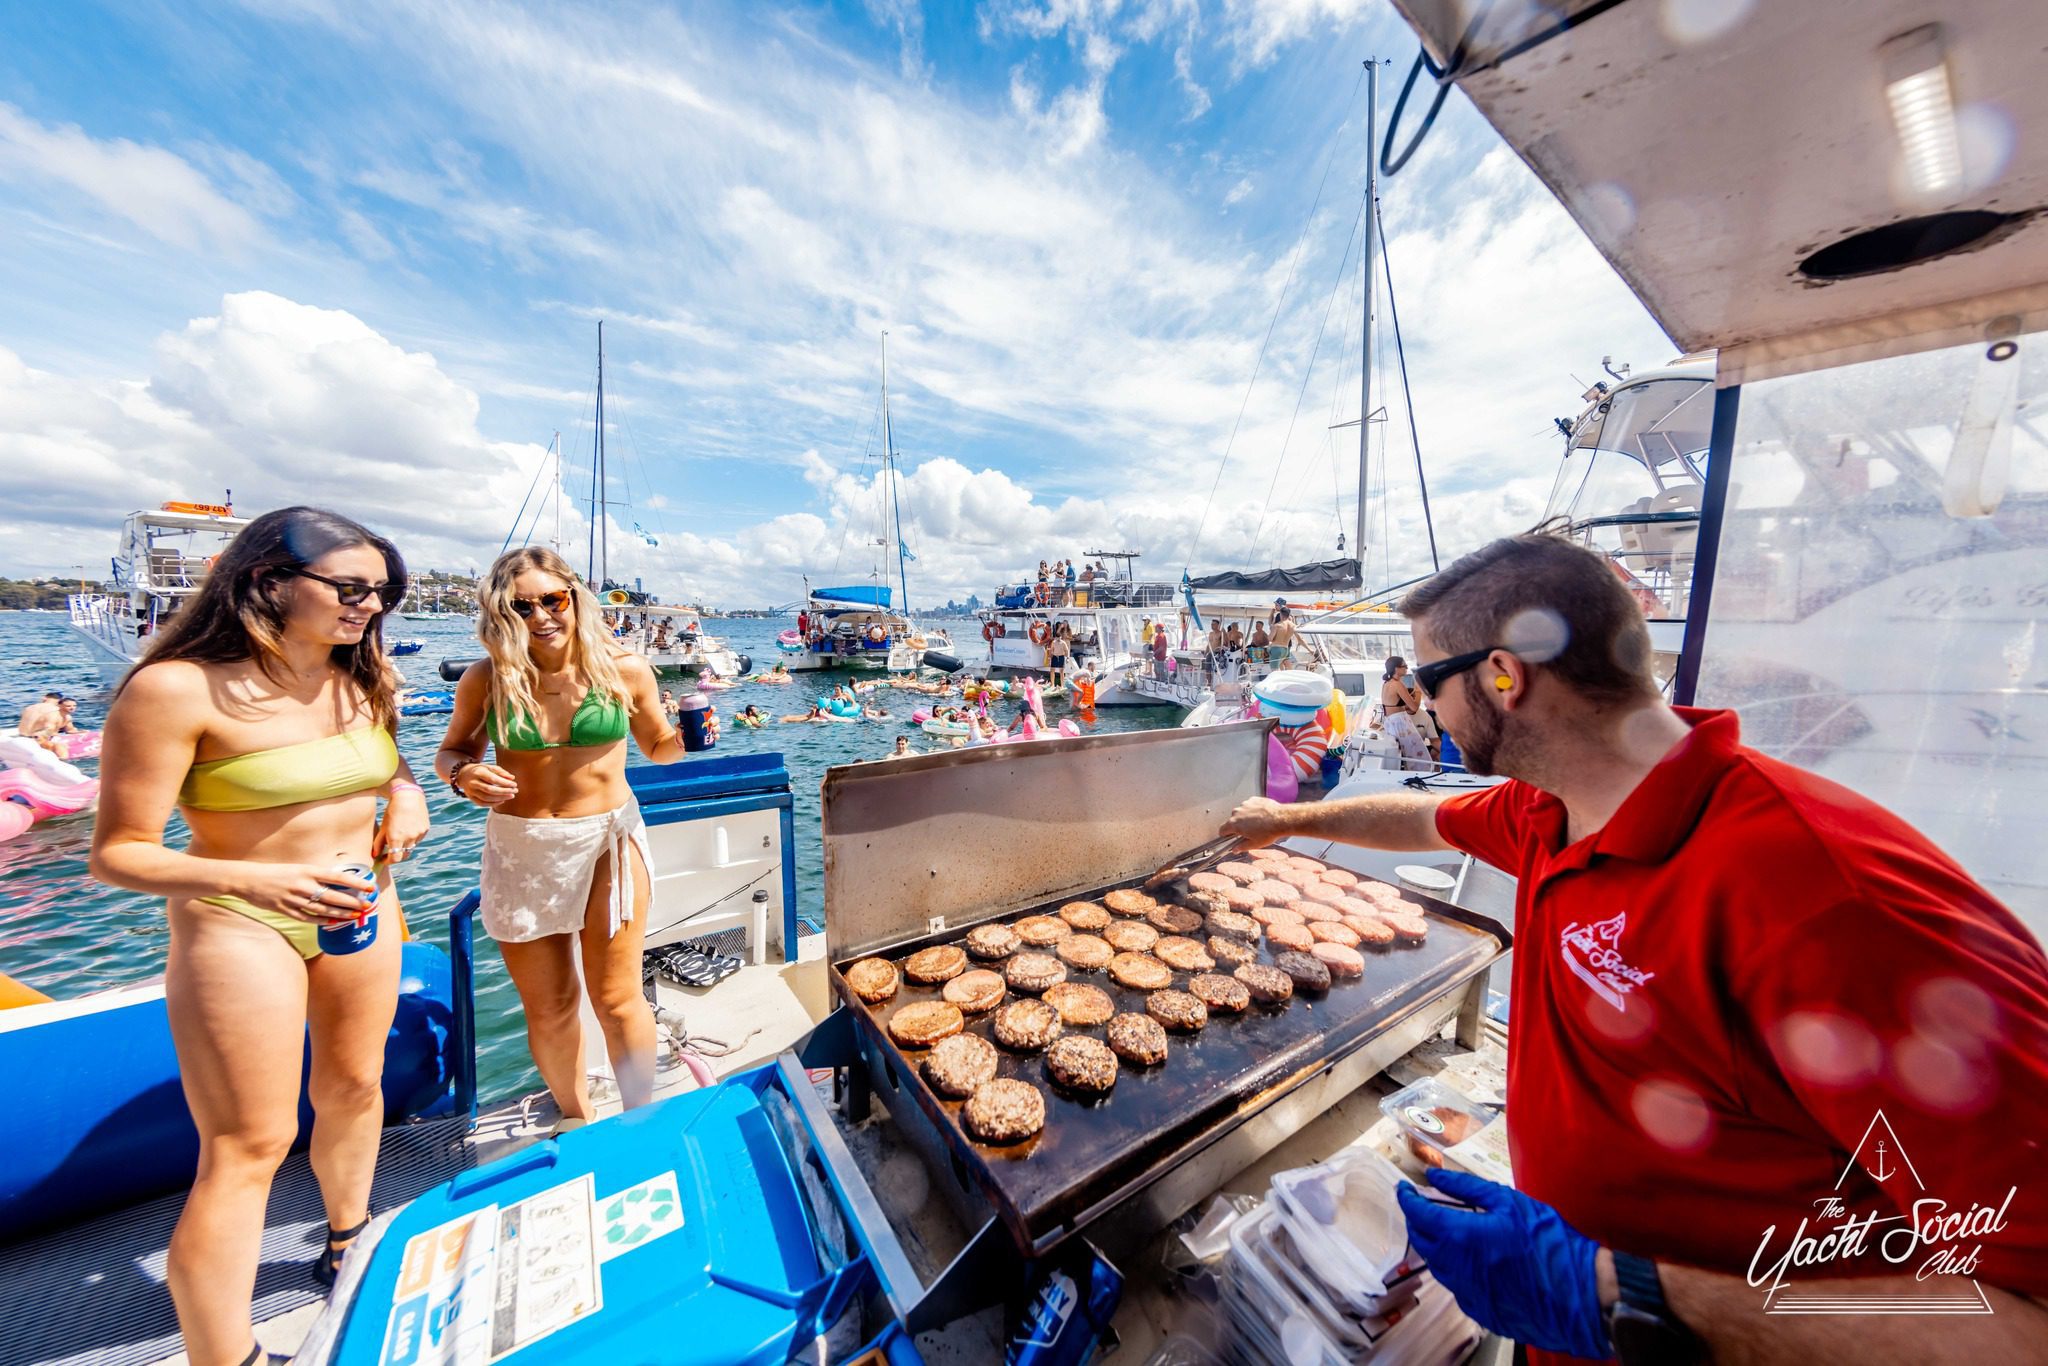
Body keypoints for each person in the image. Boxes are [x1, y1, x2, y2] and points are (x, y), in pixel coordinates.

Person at [1223, 534, 2048, 1365]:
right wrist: (1290, 820)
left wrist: (1614, 1296)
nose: (1426, 706)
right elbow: (1422, 819)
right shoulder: (1551, 809)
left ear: (1504, 678)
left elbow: (2021, 1321)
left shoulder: (1829, 901)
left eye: (1432, 682)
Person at [89, 507, 430, 1366]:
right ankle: (225, 1354)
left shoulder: (362, 674)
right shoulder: (176, 689)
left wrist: (410, 790)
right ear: (268, 581)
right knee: (250, 1144)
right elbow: (119, 854)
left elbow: (381, 755)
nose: (366, 606)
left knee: (355, 1086)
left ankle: (348, 1238)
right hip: (241, 920)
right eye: (348, 588)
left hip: (361, 909)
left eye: (379, 593)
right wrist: (258, 879)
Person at [435, 547, 690, 1132]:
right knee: (549, 1009)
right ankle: (577, 1116)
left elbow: (658, 747)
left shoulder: (624, 670)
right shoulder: (487, 680)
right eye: (522, 605)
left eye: (553, 599)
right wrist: (461, 775)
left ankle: (640, 1121)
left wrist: (691, 739)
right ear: (502, 612)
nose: (541, 615)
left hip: (608, 842)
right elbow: (452, 751)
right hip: (521, 848)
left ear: (575, 598)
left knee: (617, 997)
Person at [1379, 657, 1431, 770]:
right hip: (1400, 723)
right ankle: (1422, 775)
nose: (1407, 668)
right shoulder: (1398, 684)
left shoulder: (1387, 684)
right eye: (1404, 666)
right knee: (1419, 755)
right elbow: (1414, 707)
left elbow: (1394, 706)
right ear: (1396, 669)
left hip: (1390, 722)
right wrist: (1418, 691)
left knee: (1402, 755)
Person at [1048, 623, 1071, 688]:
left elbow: (1067, 651)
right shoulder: (1053, 642)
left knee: (1061, 671)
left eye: (1059, 637)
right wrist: (1049, 658)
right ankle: (1052, 684)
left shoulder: (1063, 643)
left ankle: (1062, 685)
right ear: (1055, 637)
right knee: (1052, 670)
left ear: (1060, 637)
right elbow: (1051, 650)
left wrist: (1068, 658)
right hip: (1054, 657)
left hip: (1061, 657)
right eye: (1057, 637)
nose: (1058, 639)